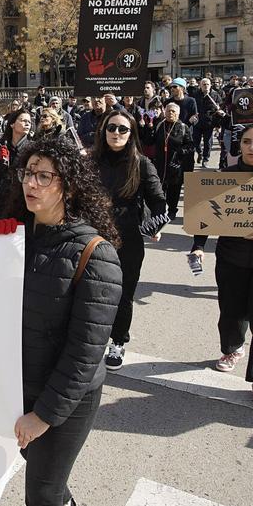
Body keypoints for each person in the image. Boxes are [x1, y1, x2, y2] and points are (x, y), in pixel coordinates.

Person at [0, 137, 122, 506]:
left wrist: (43, 416)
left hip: (65, 400)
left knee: (40, 498)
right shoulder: (16, 237)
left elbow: (84, 354)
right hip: (19, 385)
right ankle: (68, 501)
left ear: (68, 185)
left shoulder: (96, 254)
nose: (32, 183)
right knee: (46, 473)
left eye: (45, 176)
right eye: (28, 173)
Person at [189, 124, 253, 411]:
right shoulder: (224, 178)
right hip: (232, 258)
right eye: (247, 141)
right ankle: (233, 348)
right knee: (231, 312)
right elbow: (204, 214)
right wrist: (199, 245)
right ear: (239, 146)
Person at [90, 112, 167, 370]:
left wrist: (149, 226)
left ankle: (118, 341)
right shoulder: (90, 161)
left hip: (128, 240)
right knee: (90, 292)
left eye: (123, 129)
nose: (116, 133)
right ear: (103, 130)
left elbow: (160, 205)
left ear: (131, 133)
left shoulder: (142, 164)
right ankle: (90, 340)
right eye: (111, 127)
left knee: (123, 295)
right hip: (93, 237)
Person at [0, 107, 34, 223]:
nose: (27, 124)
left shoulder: (32, 149)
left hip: (20, 204)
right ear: (12, 124)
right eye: (23, 120)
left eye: (29, 122)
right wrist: (1, 162)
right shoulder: (0, 146)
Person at [148, 102, 194, 218]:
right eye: (168, 111)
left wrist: (180, 152)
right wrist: (148, 128)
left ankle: (172, 210)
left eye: (173, 111)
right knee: (159, 189)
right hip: (160, 163)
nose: (170, 113)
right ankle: (160, 211)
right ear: (164, 112)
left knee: (174, 190)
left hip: (176, 165)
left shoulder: (183, 127)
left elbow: (190, 146)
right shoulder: (159, 125)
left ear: (178, 114)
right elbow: (149, 141)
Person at [191, 78, 223, 165]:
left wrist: (219, 111)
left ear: (210, 85)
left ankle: (206, 159)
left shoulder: (215, 95)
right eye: (204, 84)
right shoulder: (195, 94)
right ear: (200, 85)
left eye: (207, 84)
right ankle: (199, 152)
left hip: (209, 122)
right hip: (198, 122)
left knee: (208, 142)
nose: (206, 86)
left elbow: (220, 107)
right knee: (195, 141)